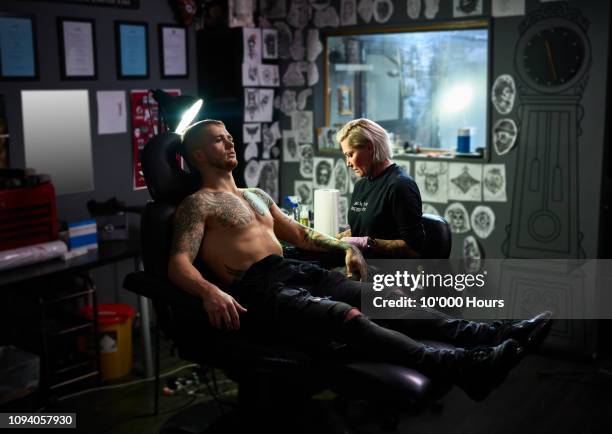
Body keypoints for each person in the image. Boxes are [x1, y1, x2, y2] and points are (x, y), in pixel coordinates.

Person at [168, 119, 552, 402]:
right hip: (258, 288)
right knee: (346, 316)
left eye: (230, 137)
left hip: (293, 270)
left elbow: (301, 236)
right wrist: (209, 291)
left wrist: (346, 248)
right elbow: (178, 263)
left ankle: (492, 334)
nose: (230, 142)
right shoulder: (198, 204)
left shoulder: (256, 194)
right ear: (198, 154)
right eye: (219, 140)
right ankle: (466, 367)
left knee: (385, 299)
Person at [336, 118, 424, 258]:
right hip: (361, 265)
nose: (348, 163)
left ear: (370, 147)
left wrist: (367, 243)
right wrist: (332, 239)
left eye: (350, 155)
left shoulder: (400, 186)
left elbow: (414, 248)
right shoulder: (361, 185)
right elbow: (359, 230)